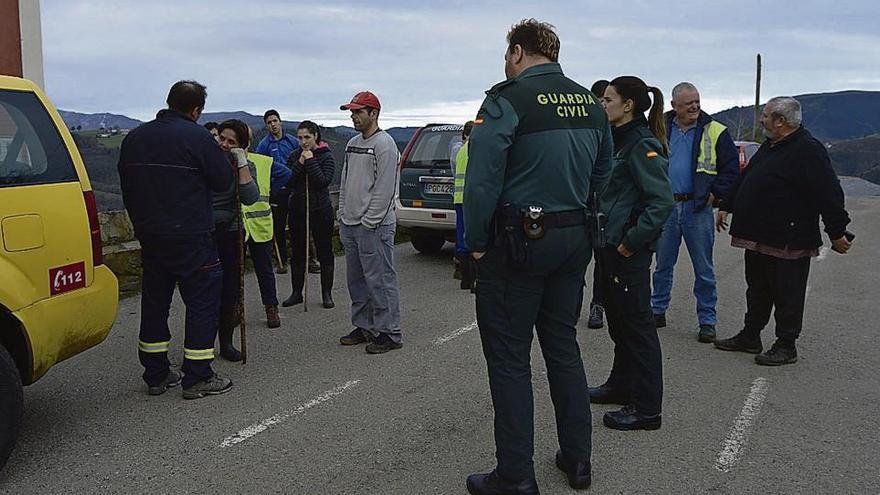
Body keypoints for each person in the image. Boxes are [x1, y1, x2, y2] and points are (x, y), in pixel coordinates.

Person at [463, 19, 612, 494]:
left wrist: (479, 241)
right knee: (562, 346)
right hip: (573, 239)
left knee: (509, 359)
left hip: (517, 244)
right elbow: (604, 171)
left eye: (507, 54)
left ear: (518, 53)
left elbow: (482, 179)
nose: (505, 63)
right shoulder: (589, 102)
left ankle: (515, 475)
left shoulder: (507, 100)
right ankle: (577, 458)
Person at [714, 97, 853, 365]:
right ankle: (750, 335)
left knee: (787, 292)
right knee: (757, 288)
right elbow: (747, 178)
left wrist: (837, 231)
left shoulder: (808, 150)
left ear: (780, 121)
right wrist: (727, 204)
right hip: (759, 234)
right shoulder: (772, 145)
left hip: (789, 237)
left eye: (765, 115)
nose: (762, 120)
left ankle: (786, 344)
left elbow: (829, 192)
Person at [118, 80, 233, 400]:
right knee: (202, 301)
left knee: (155, 302)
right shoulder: (197, 137)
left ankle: (156, 374)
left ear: (169, 101)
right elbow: (223, 182)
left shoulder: (135, 138)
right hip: (191, 235)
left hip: (151, 234)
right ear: (196, 110)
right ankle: (197, 376)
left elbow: (126, 184)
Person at [589, 76, 673, 431]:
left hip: (627, 251)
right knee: (620, 323)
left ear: (629, 106)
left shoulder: (641, 144)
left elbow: (661, 200)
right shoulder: (616, 140)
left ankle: (647, 407)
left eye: (608, 99)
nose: (602, 104)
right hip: (609, 246)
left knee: (638, 328)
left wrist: (631, 241)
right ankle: (621, 384)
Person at [650, 82, 739, 343]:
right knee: (662, 265)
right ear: (674, 106)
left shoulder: (715, 131)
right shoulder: (659, 128)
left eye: (697, 101)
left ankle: (707, 320)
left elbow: (731, 168)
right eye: (688, 103)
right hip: (665, 207)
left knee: (704, 269)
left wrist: (716, 194)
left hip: (697, 208)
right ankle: (657, 310)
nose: (695, 106)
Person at [337, 91, 404, 354]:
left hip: (374, 226)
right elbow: (346, 180)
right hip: (351, 223)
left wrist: (369, 222)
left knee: (380, 279)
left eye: (358, 112)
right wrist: (343, 214)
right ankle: (365, 325)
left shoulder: (385, 145)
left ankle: (390, 332)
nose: (353, 116)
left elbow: (385, 189)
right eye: (352, 112)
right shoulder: (353, 142)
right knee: (357, 280)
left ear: (373, 113)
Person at [213, 119, 260, 362]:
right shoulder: (205, 161)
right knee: (205, 292)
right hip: (205, 234)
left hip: (231, 233)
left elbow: (251, 197)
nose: (224, 144)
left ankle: (226, 343)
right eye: (222, 138)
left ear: (241, 146)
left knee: (229, 291)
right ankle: (201, 343)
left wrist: (241, 162)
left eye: (231, 142)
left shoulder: (242, 165)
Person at [281, 121, 337, 309]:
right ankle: (297, 292)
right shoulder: (294, 156)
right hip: (297, 209)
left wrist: (311, 161)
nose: (303, 142)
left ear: (316, 137)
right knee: (297, 252)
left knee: (324, 251)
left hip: (321, 210)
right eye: (300, 138)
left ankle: (326, 293)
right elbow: (288, 181)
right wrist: (300, 162)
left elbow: (322, 182)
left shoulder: (327, 156)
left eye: (307, 137)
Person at [254, 109, 299, 274]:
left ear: (281, 121)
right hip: (276, 192)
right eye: (269, 122)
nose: (273, 124)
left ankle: (307, 258)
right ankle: (282, 260)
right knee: (278, 227)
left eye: (275, 121)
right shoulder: (264, 145)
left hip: (294, 189)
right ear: (266, 126)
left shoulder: (293, 141)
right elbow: (259, 167)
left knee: (298, 225)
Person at [242, 147, 282, 329]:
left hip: (259, 224)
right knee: (234, 273)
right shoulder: (222, 161)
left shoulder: (264, 161)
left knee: (264, 270)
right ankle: (235, 309)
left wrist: (274, 192)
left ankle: (271, 307)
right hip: (235, 225)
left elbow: (286, 174)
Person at [587, 79, 610, 330]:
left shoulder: (615, 129)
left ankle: (598, 305)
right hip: (585, 203)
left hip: (606, 207)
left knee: (602, 262)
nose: (603, 103)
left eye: (607, 99)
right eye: (600, 99)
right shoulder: (588, 128)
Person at [453, 120, 475, 290]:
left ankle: (464, 278)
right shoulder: (474, 150)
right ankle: (474, 279)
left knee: (462, 236)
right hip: (472, 199)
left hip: (458, 199)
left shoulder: (460, 151)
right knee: (475, 236)